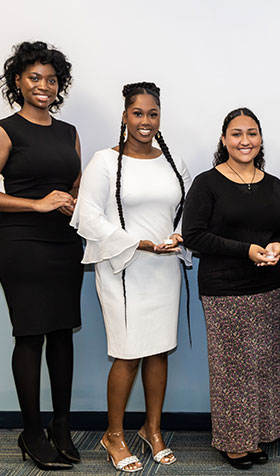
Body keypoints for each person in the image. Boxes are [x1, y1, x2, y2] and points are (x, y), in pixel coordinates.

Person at [71, 82, 190, 472]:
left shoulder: (173, 163)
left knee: (158, 349)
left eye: (152, 114)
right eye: (137, 113)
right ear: (124, 116)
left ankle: (152, 430)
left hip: (163, 268)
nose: (145, 121)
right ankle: (114, 435)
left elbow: (187, 210)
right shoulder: (105, 162)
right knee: (127, 353)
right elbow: (87, 217)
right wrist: (134, 242)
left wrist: (177, 236)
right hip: (123, 267)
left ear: (160, 117)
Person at [182, 107, 280, 470]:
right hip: (224, 289)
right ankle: (234, 442)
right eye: (236, 133)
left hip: (268, 287)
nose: (244, 141)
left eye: (251, 133)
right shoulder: (207, 183)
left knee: (264, 366)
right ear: (224, 139)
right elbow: (195, 236)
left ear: (260, 138)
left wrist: (278, 247)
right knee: (233, 370)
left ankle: (257, 435)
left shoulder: (274, 183)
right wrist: (245, 251)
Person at [0, 41, 82, 471]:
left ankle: (62, 426)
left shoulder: (69, 132)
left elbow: (73, 185)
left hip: (65, 243)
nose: (43, 86)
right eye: (34, 77)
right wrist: (34, 204)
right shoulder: (5, 129)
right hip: (20, 243)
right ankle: (31, 432)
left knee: (63, 333)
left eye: (51, 79)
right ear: (18, 81)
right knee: (30, 335)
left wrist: (72, 200)